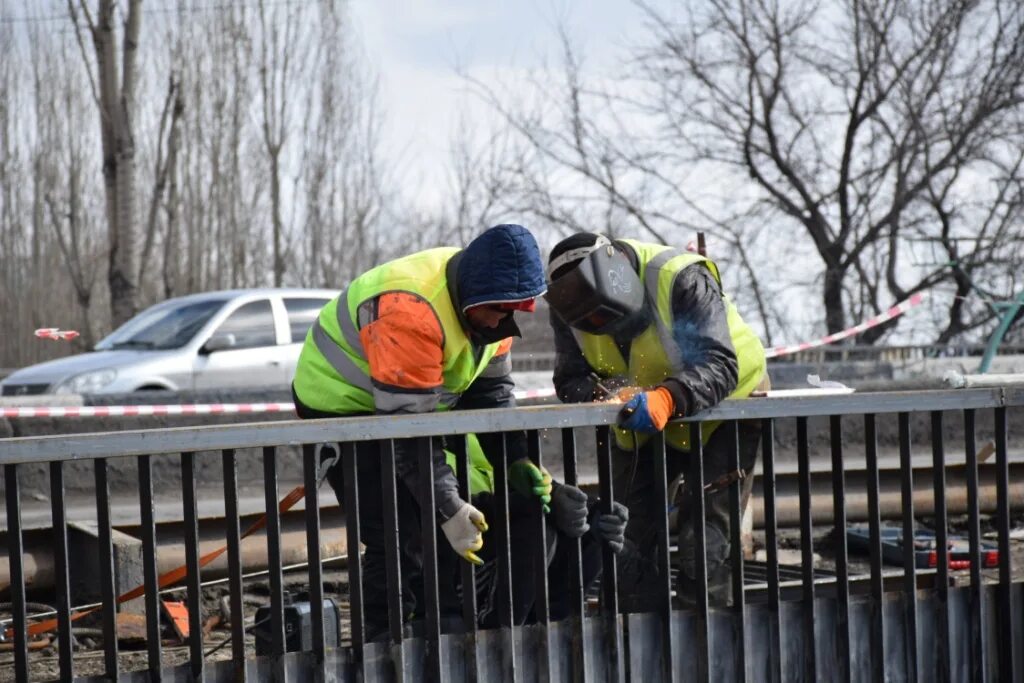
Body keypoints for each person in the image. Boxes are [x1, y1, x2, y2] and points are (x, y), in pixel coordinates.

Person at [291, 223, 610, 640]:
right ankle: (384, 643)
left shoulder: (491, 309)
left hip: (409, 406)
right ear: (474, 297)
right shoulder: (410, 310)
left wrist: (517, 462)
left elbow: (493, 396)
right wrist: (450, 508)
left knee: (430, 514)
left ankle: (434, 629)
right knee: (394, 529)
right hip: (342, 406)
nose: (505, 322)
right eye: (499, 310)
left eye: (514, 310)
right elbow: (409, 433)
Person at [543, 232, 769, 608]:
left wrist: (668, 397)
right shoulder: (567, 306)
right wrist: (612, 393)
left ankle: (707, 645)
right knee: (625, 539)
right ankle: (639, 642)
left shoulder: (680, 277)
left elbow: (720, 363)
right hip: (639, 421)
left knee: (706, 545)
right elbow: (570, 380)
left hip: (722, 412)